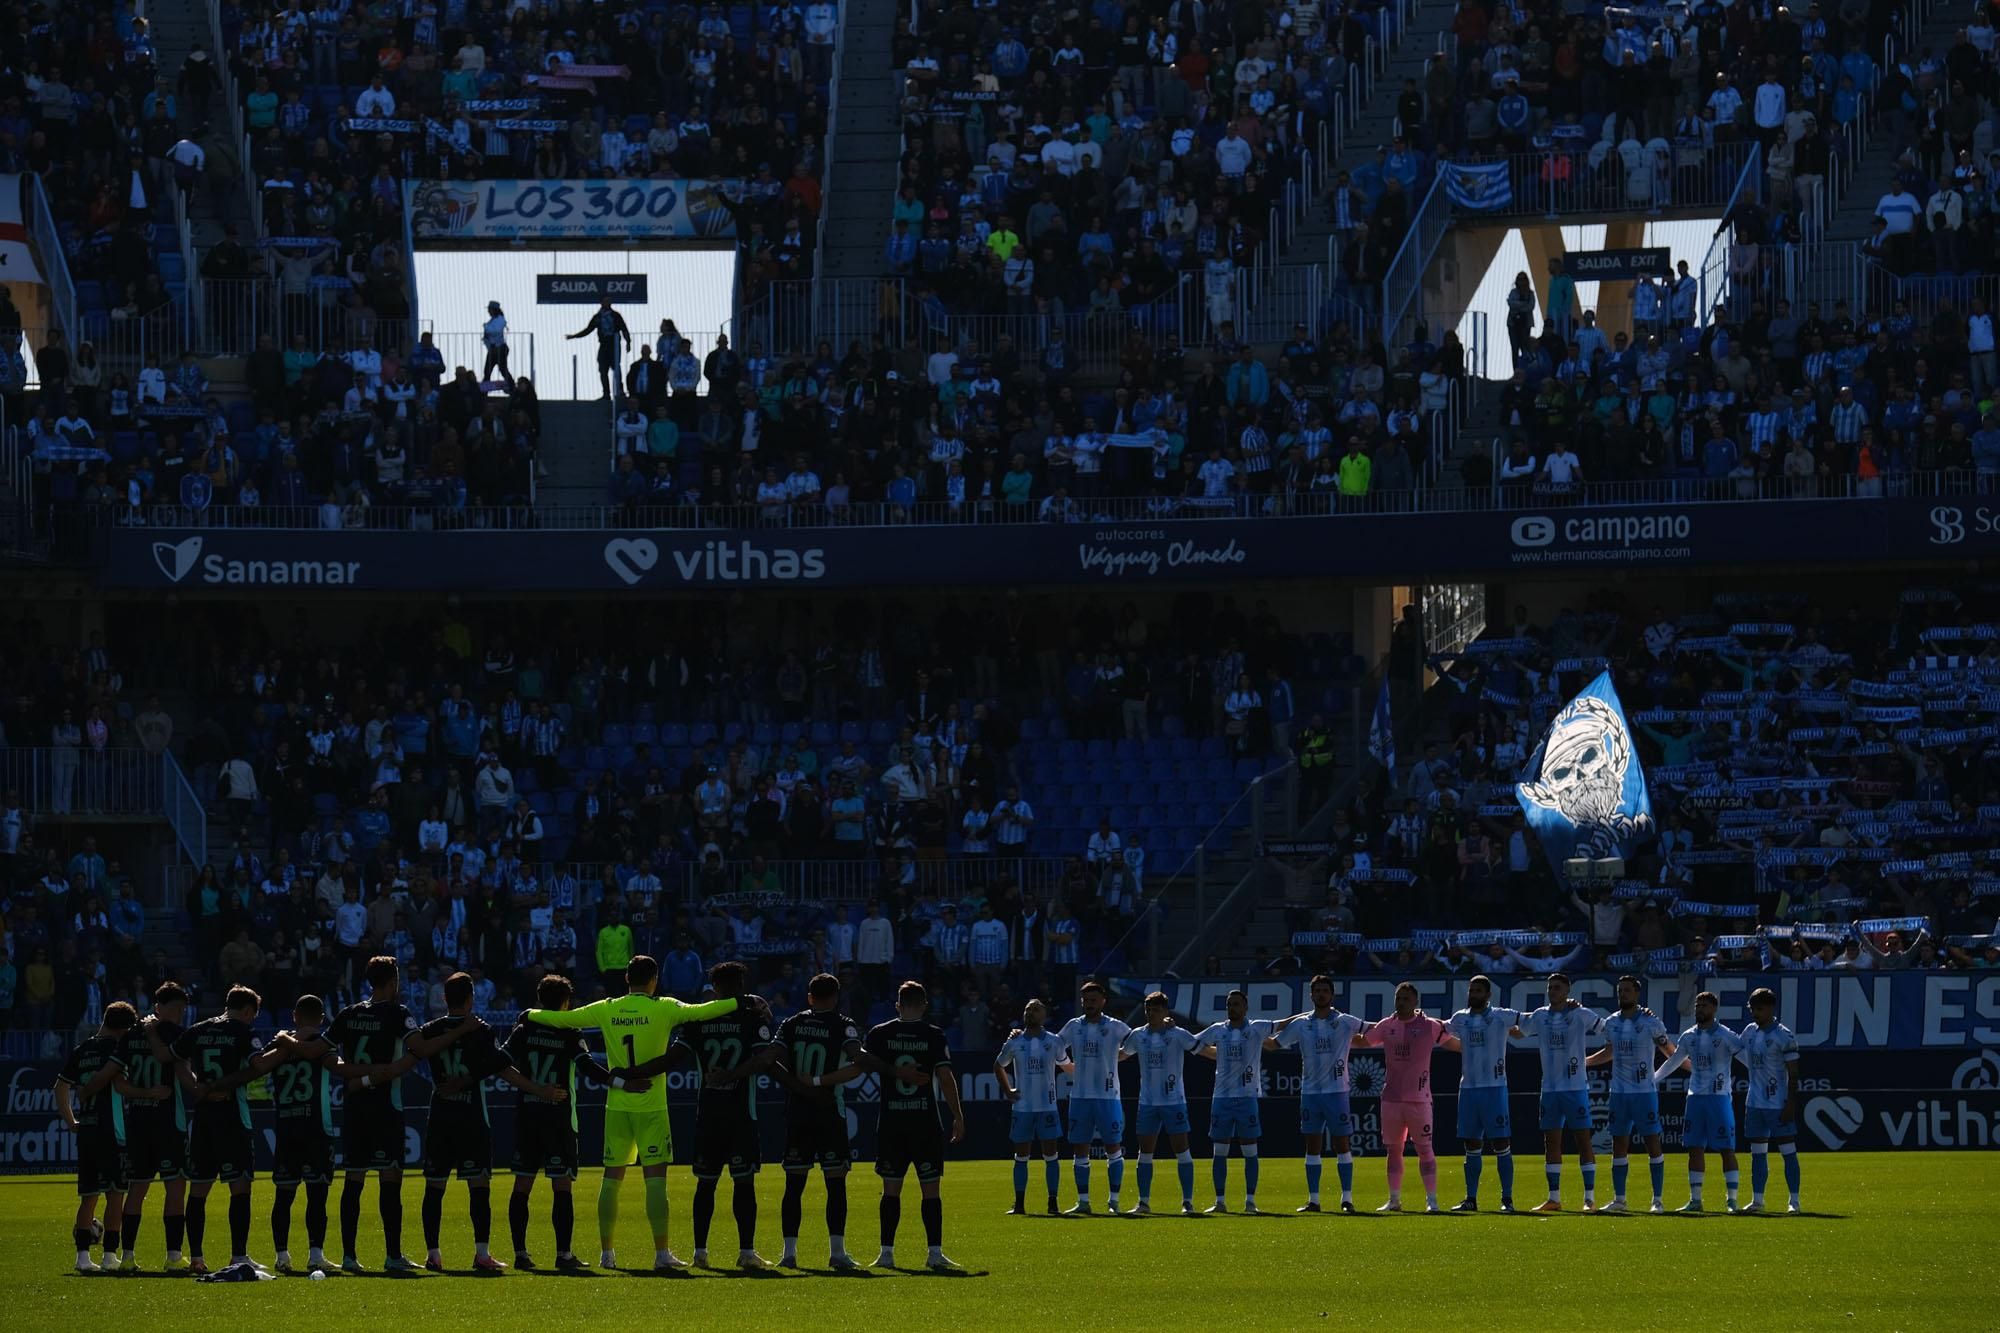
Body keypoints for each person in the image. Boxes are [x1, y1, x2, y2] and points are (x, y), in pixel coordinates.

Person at [520, 954, 741, 1269]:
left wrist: (531, 1013)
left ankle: (607, 1254)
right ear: (654, 980)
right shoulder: (665, 1006)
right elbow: (705, 1011)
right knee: (655, 1181)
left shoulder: (607, 1008)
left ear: (626, 979)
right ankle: (662, 1255)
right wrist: (742, 1003)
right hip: (652, 1105)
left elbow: (562, 1020)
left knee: (611, 1179)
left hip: (617, 1104)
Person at [417, 970, 566, 1272]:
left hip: (441, 1113)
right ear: (471, 998)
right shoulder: (481, 1031)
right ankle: (481, 1254)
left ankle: (433, 1254)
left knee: (435, 1186)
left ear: (444, 998)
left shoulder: (430, 1029)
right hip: (471, 1115)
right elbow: (502, 1068)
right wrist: (540, 1089)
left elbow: (414, 1055)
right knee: (478, 1185)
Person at [506, 973, 647, 1269]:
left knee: (522, 1185)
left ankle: (520, 1254)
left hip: (528, 1116)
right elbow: (589, 1068)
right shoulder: (569, 1032)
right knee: (561, 1185)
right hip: (558, 1118)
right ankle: (563, 1255)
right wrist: (622, 1083)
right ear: (566, 1003)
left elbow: (501, 1063)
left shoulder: (525, 1026)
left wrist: (533, 1089)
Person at [674, 961, 780, 1269]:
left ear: (715, 987)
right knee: (743, 1183)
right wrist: (733, 1073)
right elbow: (763, 1060)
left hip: (708, 1114)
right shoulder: (751, 1016)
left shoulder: (698, 1019)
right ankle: (746, 1252)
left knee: (705, 1184)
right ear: (740, 985)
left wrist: (635, 1073)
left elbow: (675, 1056)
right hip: (740, 1115)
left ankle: (700, 1253)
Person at [327, 955, 427, 1271]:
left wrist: (362, 1076)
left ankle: (348, 1257)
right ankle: (392, 1255)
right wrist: (386, 1071)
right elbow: (420, 1049)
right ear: (393, 981)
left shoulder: (349, 1013)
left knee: (353, 1179)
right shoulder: (399, 1014)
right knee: (390, 1179)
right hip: (386, 1107)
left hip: (356, 1108)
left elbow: (330, 1060)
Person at [865, 980, 966, 1272]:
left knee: (890, 1190)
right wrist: (958, 1116)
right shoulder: (933, 1035)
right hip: (925, 1123)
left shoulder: (880, 1034)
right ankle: (934, 1254)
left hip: (892, 1123)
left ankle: (886, 1254)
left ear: (898, 1004)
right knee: (930, 1191)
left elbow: (862, 1063)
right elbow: (946, 1078)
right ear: (924, 1004)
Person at [773, 972, 869, 1269]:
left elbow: (770, 1060)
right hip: (829, 1109)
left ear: (809, 997)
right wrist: (820, 1082)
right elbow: (858, 1063)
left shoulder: (792, 1024)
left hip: (798, 1111)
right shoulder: (843, 1025)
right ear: (837, 997)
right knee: (835, 1183)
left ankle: (789, 1254)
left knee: (794, 1184)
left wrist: (798, 1086)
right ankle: (837, 1253)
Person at [171, 985, 269, 1273]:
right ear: (249, 1011)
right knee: (240, 1187)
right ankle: (238, 1256)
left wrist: (197, 1088)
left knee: (199, 1189)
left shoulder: (198, 1030)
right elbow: (258, 1066)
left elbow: (176, 1059)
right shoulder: (242, 1031)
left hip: (203, 1118)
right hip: (232, 1117)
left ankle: (198, 1258)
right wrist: (219, 1086)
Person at [56, 1000, 158, 1272]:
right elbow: (121, 1086)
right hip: (113, 1131)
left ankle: (82, 1258)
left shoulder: (82, 1049)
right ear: (124, 1028)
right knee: (115, 1195)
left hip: (87, 1129)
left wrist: (71, 1121)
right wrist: (149, 1092)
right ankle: (110, 1256)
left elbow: (60, 1087)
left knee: (88, 1196)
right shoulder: (116, 1049)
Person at [1271, 974, 1370, 1212]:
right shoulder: (1302, 1023)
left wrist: (1402, 1022)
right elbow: (1275, 1044)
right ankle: (1314, 1200)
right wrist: (1250, 1038)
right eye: (1317, 991)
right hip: (1310, 1093)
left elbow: (1374, 1031)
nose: (1321, 994)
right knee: (1312, 1145)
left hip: (1337, 1092)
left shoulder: (1345, 1021)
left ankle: (1347, 1199)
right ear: (1311, 995)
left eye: (1325, 990)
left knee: (1342, 1144)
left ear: (1332, 995)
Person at [1361, 980, 1457, 1212]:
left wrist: (1480, 1048)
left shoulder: (1430, 1025)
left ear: (1415, 1002)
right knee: (1394, 1150)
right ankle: (1394, 1200)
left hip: (1419, 1099)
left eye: (1406, 998)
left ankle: (1431, 1200)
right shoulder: (1386, 1025)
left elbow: (1453, 1044)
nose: (1401, 1002)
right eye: (1398, 998)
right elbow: (1363, 1041)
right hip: (1391, 1100)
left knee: (1425, 1149)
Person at [261, 995, 341, 1273]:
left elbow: (258, 1065)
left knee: (284, 1195)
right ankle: (315, 1255)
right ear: (321, 1018)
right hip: (317, 1128)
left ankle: (282, 1257)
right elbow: (338, 1066)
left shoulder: (278, 1043)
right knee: (317, 1195)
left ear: (295, 1015)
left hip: (286, 1127)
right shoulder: (322, 1044)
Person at [1515, 972, 1605, 1212]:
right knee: (1551, 1142)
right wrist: (1496, 1026)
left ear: (1567, 991)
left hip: (1575, 1088)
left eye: (1557, 987)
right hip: (1550, 1089)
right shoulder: (1540, 1016)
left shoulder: (1581, 1014)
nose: (1552, 991)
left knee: (1583, 1141)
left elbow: (1610, 1033)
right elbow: (1518, 1031)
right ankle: (1554, 1198)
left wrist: (1590, 1061)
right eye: (1550, 987)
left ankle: (1589, 1198)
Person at [1585, 973, 1674, 1213]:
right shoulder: (1611, 1022)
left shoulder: (1651, 1022)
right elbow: (1609, 1051)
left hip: (1644, 1092)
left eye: (1627, 990)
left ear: (1637, 994)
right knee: (1618, 1144)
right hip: (1619, 1093)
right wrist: (1585, 1062)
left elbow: (1668, 1050)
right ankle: (1620, 1199)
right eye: (1620, 990)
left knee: (1652, 1143)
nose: (1622, 994)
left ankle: (1657, 1200)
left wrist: (1688, 1068)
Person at [117, 983, 191, 1269]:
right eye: (175, 1009)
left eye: (182, 1010)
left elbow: (119, 1083)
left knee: (137, 1189)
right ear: (158, 1007)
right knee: (175, 1187)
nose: (179, 1015)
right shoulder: (174, 1034)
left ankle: (128, 1257)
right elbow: (182, 1069)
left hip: (137, 1121)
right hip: (168, 1122)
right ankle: (173, 1256)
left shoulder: (131, 1035)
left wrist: (142, 1094)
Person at [1653, 990, 1744, 1212]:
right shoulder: (1689, 1036)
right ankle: (1696, 1200)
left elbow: (1746, 1056)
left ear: (1714, 1009)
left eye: (1704, 1005)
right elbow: (1675, 1061)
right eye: (1697, 1005)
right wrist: (1653, 1079)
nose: (1699, 1009)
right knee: (1694, 1148)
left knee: (1726, 1149)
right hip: (1695, 1099)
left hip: (1719, 1098)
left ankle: (1732, 1200)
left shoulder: (1726, 1035)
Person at [1441, 973, 1520, 1213]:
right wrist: (1417, 1017)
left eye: (1478, 991)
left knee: (1501, 1142)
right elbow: (1438, 1029)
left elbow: (1531, 1021)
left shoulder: (1501, 1016)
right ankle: (1471, 1199)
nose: (1473, 994)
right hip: (1468, 1089)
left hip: (1494, 1089)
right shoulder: (1460, 1018)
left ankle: (1507, 1199)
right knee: (1472, 1143)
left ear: (1488, 995)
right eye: (1471, 990)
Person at [1118, 990, 1201, 1214]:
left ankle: (1187, 1202)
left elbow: (1201, 1049)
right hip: (1147, 1103)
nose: (1151, 1013)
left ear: (1165, 1011)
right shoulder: (1138, 1035)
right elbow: (1121, 1055)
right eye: (1148, 1009)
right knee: (1145, 1152)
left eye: (1156, 1010)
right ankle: (1143, 1202)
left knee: (1182, 1150)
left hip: (1174, 1101)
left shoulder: (1177, 1033)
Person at [1191, 988, 1275, 1213]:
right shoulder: (1218, 1030)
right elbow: (1193, 1044)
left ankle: (1250, 1201)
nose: (1232, 1008)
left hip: (1247, 1098)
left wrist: (1306, 1015)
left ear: (1245, 1007)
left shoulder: (1256, 1028)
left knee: (1250, 1151)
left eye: (1237, 1004)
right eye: (1229, 1004)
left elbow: (1282, 1024)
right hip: (1221, 1098)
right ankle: (1220, 1201)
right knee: (1219, 1151)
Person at [1054, 980, 1133, 1214]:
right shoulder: (1073, 1026)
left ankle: (1114, 1201)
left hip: (1108, 1096)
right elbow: (1056, 1046)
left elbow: (1136, 1042)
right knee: (1080, 1149)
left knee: (1113, 1147)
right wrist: (1067, 1065)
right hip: (1080, 1097)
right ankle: (1084, 1202)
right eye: (1085, 1000)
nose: (1089, 1004)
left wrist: (1117, 1057)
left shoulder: (1116, 1027)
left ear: (1103, 1001)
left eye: (1093, 1000)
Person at [994, 998, 1071, 1216]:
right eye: (1028, 1009)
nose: (1030, 1012)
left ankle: (1053, 1203)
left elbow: (1066, 1066)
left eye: (1036, 1009)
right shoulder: (1015, 1042)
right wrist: (1008, 1090)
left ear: (1044, 1015)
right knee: (1021, 1156)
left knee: (1051, 1155)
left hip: (1047, 1107)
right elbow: (998, 1065)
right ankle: (1019, 1204)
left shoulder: (1054, 1041)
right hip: (1022, 1108)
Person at [1736, 986, 1803, 1214]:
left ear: (1771, 1008)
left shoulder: (1784, 1035)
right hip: (1754, 1103)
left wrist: (1790, 1103)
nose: (1755, 1013)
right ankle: (1758, 1201)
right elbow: (1735, 1049)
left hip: (1777, 1105)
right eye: (1752, 1008)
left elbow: (1794, 1074)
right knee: (1757, 1154)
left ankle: (1794, 1201)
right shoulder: (1749, 1032)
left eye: (1760, 1009)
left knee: (1788, 1152)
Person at [567, 297, 633, 399]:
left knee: (616, 368)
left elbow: (624, 329)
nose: (607, 303)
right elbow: (588, 329)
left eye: (609, 301)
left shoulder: (615, 315)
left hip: (614, 345)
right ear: (601, 303)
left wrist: (628, 342)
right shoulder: (598, 317)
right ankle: (606, 393)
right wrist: (574, 336)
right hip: (604, 345)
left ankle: (620, 391)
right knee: (603, 370)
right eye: (605, 301)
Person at [481, 302, 514, 388]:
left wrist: (486, 327)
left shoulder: (500, 320)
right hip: (493, 349)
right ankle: (485, 390)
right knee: (488, 371)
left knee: (502, 370)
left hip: (499, 349)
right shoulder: (494, 320)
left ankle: (512, 387)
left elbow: (496, 331)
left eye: (489, 309)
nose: (488, 311)